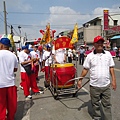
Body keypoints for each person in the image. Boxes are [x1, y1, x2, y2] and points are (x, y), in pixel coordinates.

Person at [77, 35, 117, 120]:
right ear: (94, 44)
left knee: (107, 105)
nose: (100, 44)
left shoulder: (108, 54)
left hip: (106, 86)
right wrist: (80, 80)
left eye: (101, 42)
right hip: (94, 86)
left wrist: (114, 80)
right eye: (98, 42)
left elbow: (111, 68)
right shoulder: (90, 56)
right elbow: (85, 69)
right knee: (95, 104)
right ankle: (97, 118)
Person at [0, 38, 18, 120]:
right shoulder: (13, 55)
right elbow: (15, 69)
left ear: (1, 45)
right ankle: (11, 118)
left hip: (1, 84)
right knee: (12, 104)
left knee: (1, 105)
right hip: (10, 83)